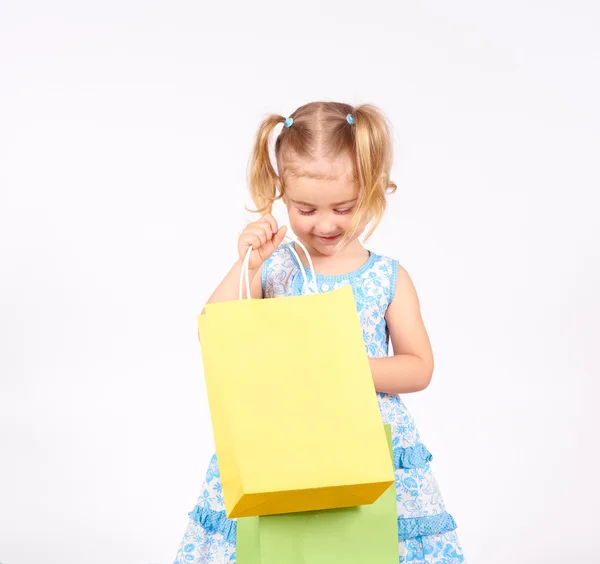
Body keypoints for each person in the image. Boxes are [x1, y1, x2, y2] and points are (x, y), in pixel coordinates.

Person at [174, 101, 466, 563]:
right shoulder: (277, 268)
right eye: (305, 209)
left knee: (359, 545)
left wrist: (342, 367)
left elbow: (419, 366)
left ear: (370, 191)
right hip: (284, 438)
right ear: (281, 194)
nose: (325, 224)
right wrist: (250, 263)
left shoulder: (388, 276)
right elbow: (216, 327)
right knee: (283, 546)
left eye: (343, 208)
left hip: (367, 442)